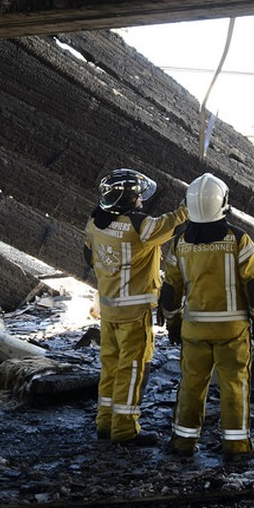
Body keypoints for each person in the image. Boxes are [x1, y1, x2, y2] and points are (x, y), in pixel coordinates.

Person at [159, 173, 254, 461]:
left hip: (194, 330)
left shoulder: (180, 243)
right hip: (232, 331)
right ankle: (236, 446)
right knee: (235, 386)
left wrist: (172, 323)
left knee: (191, 385)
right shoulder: (239, 240)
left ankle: (183, 443)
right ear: (223, 203)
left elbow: (170, 290)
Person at [84, 167, 187, 446]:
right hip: (134, 314)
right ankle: (125, 429)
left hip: (108, 311)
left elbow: (88, 257)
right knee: (132, 371)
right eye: (139, 197)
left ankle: (104, 423)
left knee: (110, 367)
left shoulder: (94, 222)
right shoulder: (140, 226)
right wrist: (190, 204)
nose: (142, 201)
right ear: (130, 200)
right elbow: (174, 224)